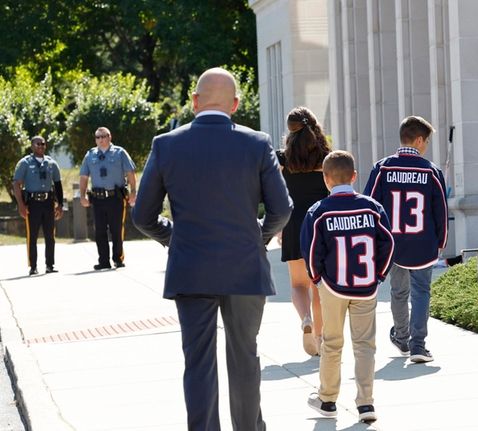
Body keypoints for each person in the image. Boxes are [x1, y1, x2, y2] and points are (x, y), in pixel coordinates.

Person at [132, 67, 292, 430]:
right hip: (244, 268)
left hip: (191, 268)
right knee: (245, 360)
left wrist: (176, 237)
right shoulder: (257, 143)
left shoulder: (166, 144)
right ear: (236, 105)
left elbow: (143, 216)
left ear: (194, 102)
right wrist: (258, 238)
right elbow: (282, 209)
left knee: (198, 363)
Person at [300, 150, 394, 422]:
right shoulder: (372, 207)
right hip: (366, 284)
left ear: (325, 179)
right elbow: (387, 243)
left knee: (332, 342)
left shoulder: (318, 212)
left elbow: (311, 251)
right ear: (354, 176)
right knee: (365, 344)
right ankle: (366, 403)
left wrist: (317, 279)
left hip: (332, 285)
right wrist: (379, 275)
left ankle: (328, 399)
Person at [363, 115, 448, 363]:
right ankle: (419, 345)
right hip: (423, 243)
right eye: (427, 141)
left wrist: (374, 242)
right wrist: (440, 241)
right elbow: (440, 210)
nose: (427, 146)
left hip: (393, 244)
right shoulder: (431, 171)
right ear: (419, 140)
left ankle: (402, 338)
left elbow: (370, 206)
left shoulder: (383, 168)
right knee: (421, 292)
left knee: (398, 292)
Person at [276, 106, 331, 356]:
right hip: (320, 225)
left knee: (298, 283)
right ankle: (319, 337)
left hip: (294, 223)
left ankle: (305, 319)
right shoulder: (326, 157)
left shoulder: (281, 159)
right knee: (318, 284)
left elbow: (275, 193)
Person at [79, 127, 137, 270]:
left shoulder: (119, 152)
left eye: (103, 136)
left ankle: (118, 258)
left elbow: (130, 173)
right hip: (97, 199)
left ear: (109, 137)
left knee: (116, 229)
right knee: (99, 231)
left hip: (115, 198)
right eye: (97, 137)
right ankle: (103, 261)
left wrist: (133, 192)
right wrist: (82, 195)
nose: (100, 139)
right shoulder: (90, 155)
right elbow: (84, 177)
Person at [13, 136, 64, 275]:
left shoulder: (51, 163)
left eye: (43, 144)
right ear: (32, 146)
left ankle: (50, 265)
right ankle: (33, 266)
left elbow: (58, 184)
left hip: (48, 203)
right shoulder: (24, 163)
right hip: (32, 203)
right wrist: (21, 205)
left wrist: (60, 205)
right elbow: (16, 184)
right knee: (32, 236)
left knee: (50, 235)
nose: (40, 146)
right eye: (37, 144)